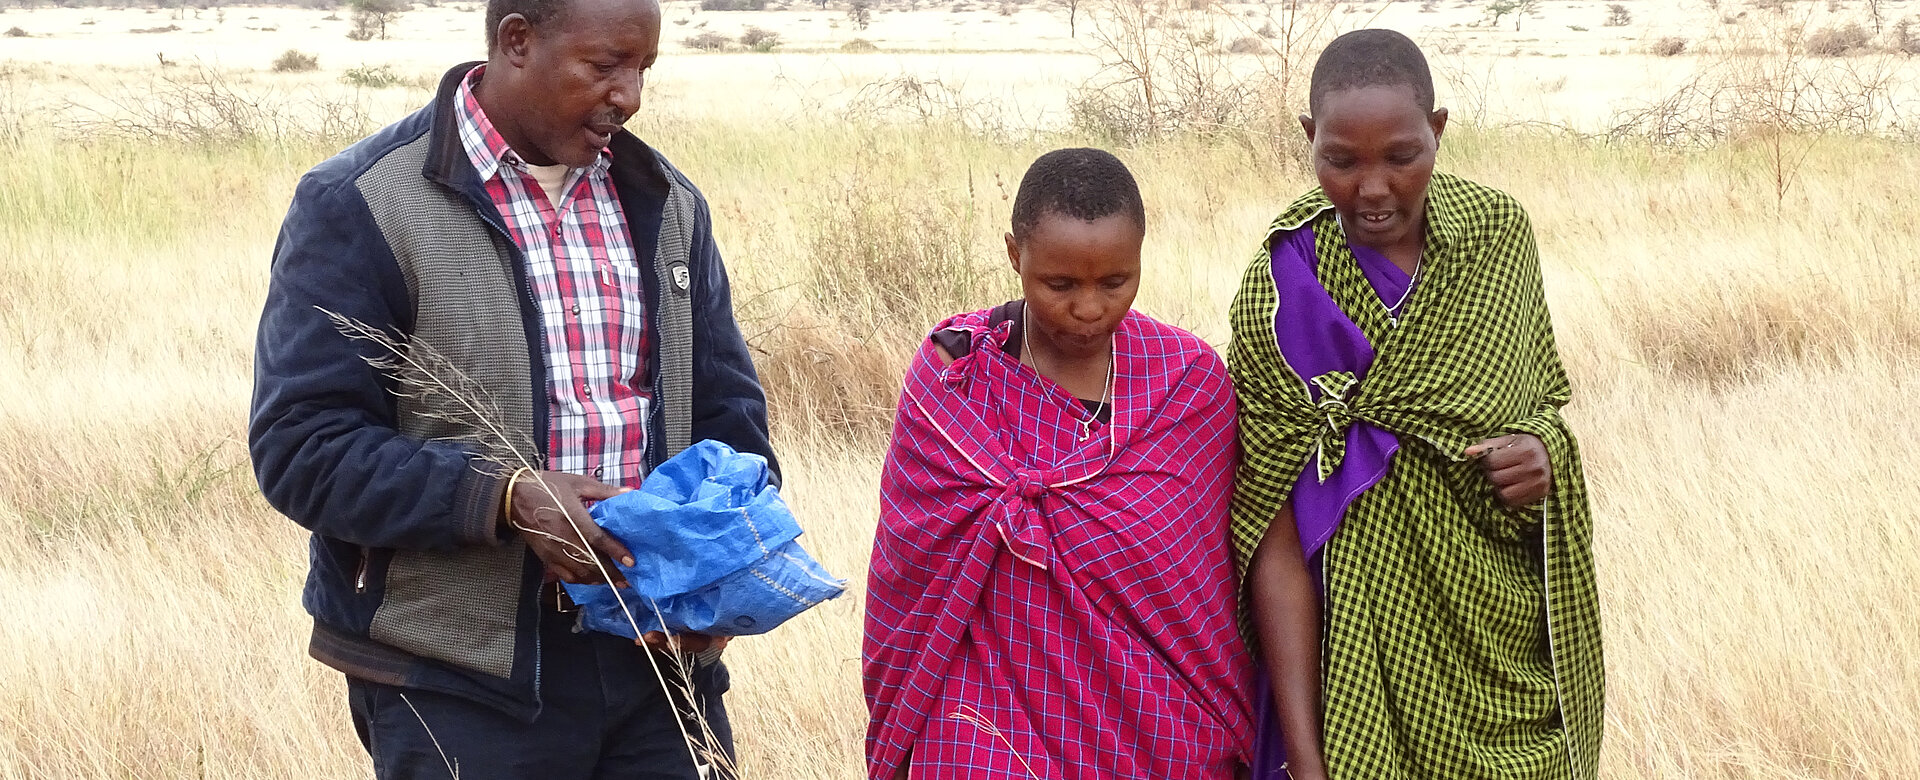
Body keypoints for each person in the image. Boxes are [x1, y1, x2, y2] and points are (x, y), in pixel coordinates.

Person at [246, 0, 776, 774]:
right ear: (517, 42)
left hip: (661, 668)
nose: (629, 96)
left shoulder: (666, 203)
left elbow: (732, 421)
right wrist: (505, 497)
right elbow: (302, 449)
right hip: (460, 679)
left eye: (643, 70)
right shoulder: (362, 203)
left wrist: (719, 569)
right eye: (605, 66)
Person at [1229, 29, 1604, 780]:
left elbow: (1537, 406)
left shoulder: (1496, 237)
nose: (1373, 188)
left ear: (1437, 131)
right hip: (1355, 683)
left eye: (1403, 156)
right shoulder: (1284, 281)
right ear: (1309, 140)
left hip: (1504, 655)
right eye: (1341, 160)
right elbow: (1270, 528)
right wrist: (1305, 754)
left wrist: (1542, 450)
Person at [862, 148, 1256, 780]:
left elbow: (1201, 585)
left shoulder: (1185, 383)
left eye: (1116, 281)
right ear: (1016, 256)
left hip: (1150, 718)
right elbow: (909, 568)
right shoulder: (955, 374)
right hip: (980, 708)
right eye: (1060, 284)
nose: (1090, 307)